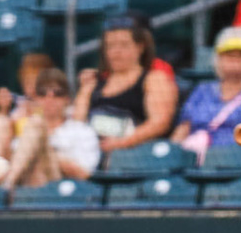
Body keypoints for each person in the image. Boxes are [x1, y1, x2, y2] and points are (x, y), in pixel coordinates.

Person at [0, 69, 99, 189]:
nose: (49, 98)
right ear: (36, 98)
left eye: (57, 93)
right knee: (0, 121)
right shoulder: (23, 124)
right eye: (42, 93)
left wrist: (49, 154)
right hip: (23, 180)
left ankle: (6, 188)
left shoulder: (80, 130)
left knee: (36, 123)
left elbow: (86, 174)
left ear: (67, 99)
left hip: (58, 185)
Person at [74, 17, 178, 154]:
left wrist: (122, 142)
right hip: (91, 151)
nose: (116, 51)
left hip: (135, 154)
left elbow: (160, 122)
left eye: (124, 45)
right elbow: (76, 122)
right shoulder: (92, 82)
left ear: (140, 47)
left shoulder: (155, 79)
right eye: (110, 46)